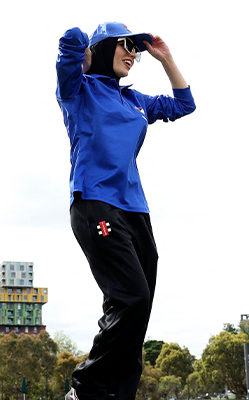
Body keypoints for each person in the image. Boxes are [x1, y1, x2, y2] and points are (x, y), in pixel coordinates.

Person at [55, 21, 196, 400]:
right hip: (95, 203)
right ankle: (85, 388)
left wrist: (165, 58)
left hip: (136, 211)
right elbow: (69, 40)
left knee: (138, 307)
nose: (133, 53)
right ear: (101, 49)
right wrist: (84, 51)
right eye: (124, 45)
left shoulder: (135, 101)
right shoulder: (78, 91)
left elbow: (185, 104)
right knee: (131, 298)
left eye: (136, 48)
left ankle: (119, 393)